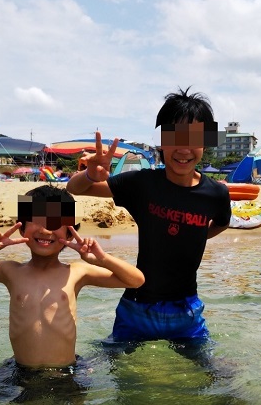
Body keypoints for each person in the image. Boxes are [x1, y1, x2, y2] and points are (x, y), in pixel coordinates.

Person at [67, 87, 231, 344]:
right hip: (137, 306)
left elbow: (222, 222)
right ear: (162, 140)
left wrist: (194, 234)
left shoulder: (216, 194)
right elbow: (76, 189)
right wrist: (90, 174)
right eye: (175, 137)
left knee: (210, 368)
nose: (184, 149)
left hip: (186, 310)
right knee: (117, 366)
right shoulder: (142, 184)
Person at [0, 186, 144, 369]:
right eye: (37, 220)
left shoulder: (77, 272)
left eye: (55, 222)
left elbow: (136, 281)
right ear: (21, 226)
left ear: (70, 233)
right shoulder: (9, 271)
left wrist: (102, 259)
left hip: (66, 372)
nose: (45, 230)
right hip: (21, 371)